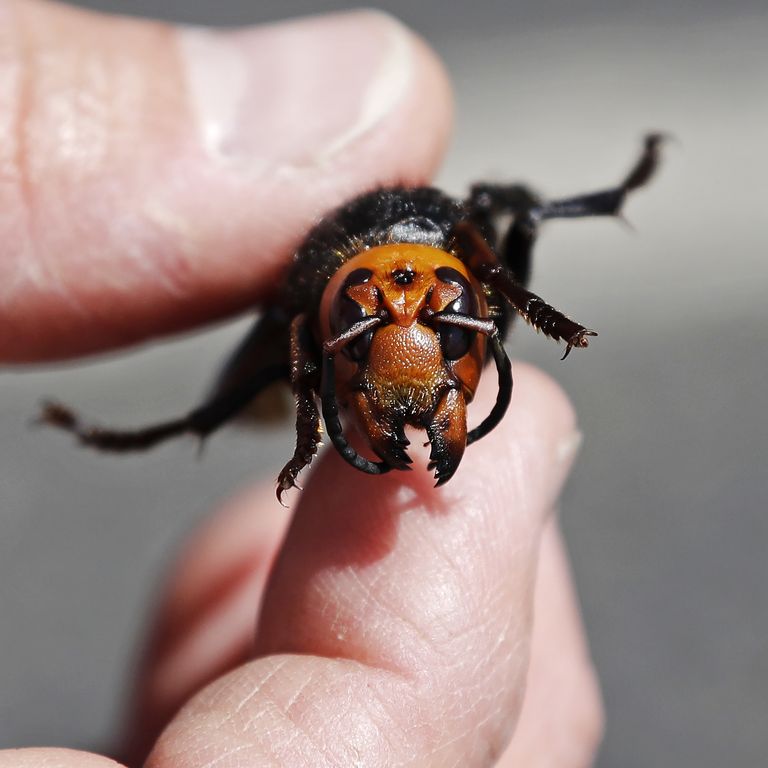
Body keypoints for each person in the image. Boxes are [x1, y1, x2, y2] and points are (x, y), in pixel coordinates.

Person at [0, 2, 603, 765]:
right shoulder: (317, 313)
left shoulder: (464, 257)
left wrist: (519, 292)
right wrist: (303, 435)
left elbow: (514, 217)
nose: (409, 345)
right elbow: (296, 332)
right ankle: (168, 431)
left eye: (443, 320)